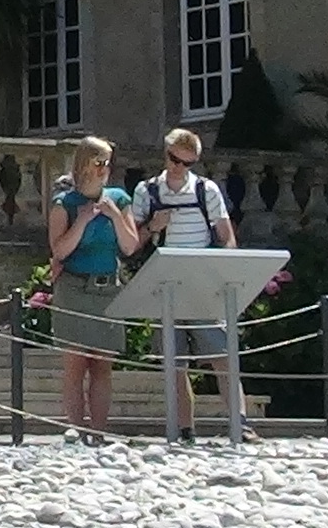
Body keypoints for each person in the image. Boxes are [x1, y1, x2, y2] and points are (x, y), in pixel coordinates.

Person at [132, 127, 241, 436]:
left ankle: (240, 424)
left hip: (202, 281)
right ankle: (184, 429)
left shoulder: (207, 190)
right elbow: (131, 243)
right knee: (174, 362)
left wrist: (221, 273)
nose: (179, 167)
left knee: (222, 355)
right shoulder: (146, 192)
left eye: (187, 163)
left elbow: (227, 237)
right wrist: (153, 226)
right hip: (164, 281)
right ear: (165, 155)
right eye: (174, 160)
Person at [44, 137, 138, 435]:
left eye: (108, 163)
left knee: (102, 365)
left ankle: (98, 431)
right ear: (84, 164)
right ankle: (75, 428)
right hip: (74, 287)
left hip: (107, 288)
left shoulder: (119, 199)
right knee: (75, 364)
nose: (104, 169)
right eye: (99, 163)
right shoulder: (65, 204)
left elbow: (130, 246)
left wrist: (115, 216)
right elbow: (59, 250)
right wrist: (82, 221)